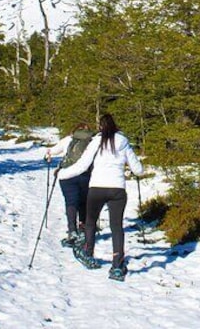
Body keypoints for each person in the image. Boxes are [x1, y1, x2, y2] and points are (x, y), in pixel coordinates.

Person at [58, 113, 144, 281]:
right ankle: (117, 267)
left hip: (96, 188)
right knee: (116, 227)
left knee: (90, 222)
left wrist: (62, 174)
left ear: (101, 127)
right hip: (117, 190)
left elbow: (82, 166)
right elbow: (138, 170)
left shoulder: (96, 142)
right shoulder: (123, 142)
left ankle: (88, 254)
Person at [45, 123, 95, 248]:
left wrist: (47, 156)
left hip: (66, 175)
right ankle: (83, 229)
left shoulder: (68, 140)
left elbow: (51, 152)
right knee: (84, 202)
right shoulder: (92, 141)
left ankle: (72, 231)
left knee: (71, 202)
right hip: (85, 175)